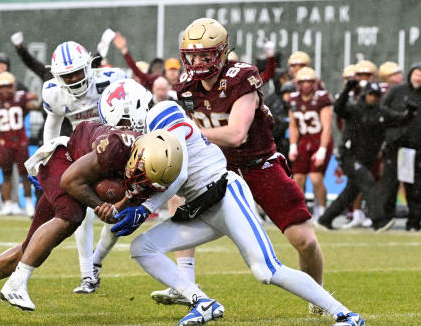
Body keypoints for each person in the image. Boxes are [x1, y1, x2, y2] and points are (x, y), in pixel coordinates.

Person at [96, 78, 365, 326]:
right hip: (201, 207)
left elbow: (179, 172)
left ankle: (344, 314)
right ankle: (201, 302)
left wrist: (143, 210)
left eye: (123, 121)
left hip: (225, 194)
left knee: (266, 270)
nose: (123, 130)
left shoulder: (162, 114)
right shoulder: (143, 136)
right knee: (143, 247)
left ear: (135, 108)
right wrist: (122, 206)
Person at [175, 18, 326, 315]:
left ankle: (318, 296)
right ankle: (184, 283)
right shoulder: (185, 87)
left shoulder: (241, 77)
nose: (197, 61)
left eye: (205, 54)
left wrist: (188, 133)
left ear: (220, 53)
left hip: (259, 164)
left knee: (305, 241)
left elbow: (235, 134)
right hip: (218, 167)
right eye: (192, 55)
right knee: (178, 203)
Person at [0, 121, 182, 319]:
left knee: (32, 246)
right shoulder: (115, 148)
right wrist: (99, 205)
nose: (143, 181)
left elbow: (125, 202)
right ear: (140, 155)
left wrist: (115, 210)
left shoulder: (156, 167)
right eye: (142, 173)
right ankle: (17, 283)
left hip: (78, 170)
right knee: (72, 216)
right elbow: (69, 182)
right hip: (64, 159)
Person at [41, 40, 127, 293]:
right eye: (68, 75)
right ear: (58, 76)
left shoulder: (112, 80)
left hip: (116, 151)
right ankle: (87, 274)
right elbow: (52, 126)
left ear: (89, 66)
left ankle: (97, 259)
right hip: (83, 155)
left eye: (78, 72)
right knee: (85, 213)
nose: (75, 79)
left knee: (119, 212)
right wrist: (49, 160)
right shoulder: (54, 93)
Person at [318, 83, 414, 230]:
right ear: (364, 95)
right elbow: (338, 108)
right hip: (349, 156)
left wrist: (410, 112)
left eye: (376, 95)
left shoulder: (382, 112)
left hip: (367, 160)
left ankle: (325, 219)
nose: (373, 98)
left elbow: (400, 119)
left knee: (350, 192)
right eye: (371, 94)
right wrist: (346, 90)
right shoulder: (354, 109)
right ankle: (379, 221)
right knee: (368, 181)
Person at [0, 72, 39, 215]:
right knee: (6, 174)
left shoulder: (21, 98)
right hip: (5, 142)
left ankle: (29, 203)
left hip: (20, 141)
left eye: (8, 86)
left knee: (25, 174)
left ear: (13, 86)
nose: (5, 90)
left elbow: (34, 104)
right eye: (2, 87)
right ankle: (7, 204)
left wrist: (36, 99)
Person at [370, 63, 421, 231]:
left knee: (414, 186)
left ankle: (414, 221)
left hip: (415, 147)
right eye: (416, 73)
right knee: (389, 183)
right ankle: (385, 219)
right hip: (394, 145)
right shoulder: (397, 91)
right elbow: (381, 110)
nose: (418, 77)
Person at [288, 67, 334, 222]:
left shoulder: (322, 98)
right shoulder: (294, 99)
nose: (306, 85)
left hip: (319, 139)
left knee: (316, 178)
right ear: (298, 83)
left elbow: (327, 127)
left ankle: (322, 211)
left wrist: (322, 149)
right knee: (298, 179)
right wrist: (293, 145)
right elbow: (293, 126)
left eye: (309, 81)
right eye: (303, 81)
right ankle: (302, 211)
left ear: (315, 83)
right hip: (303, 140)